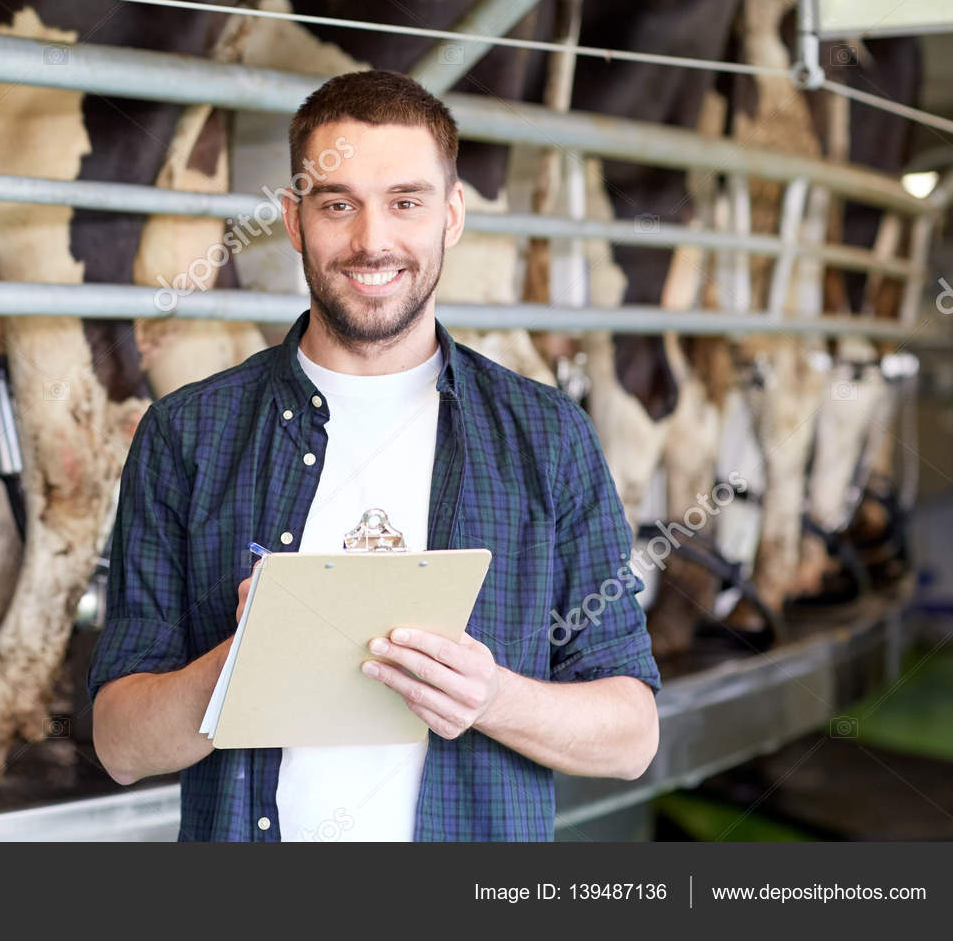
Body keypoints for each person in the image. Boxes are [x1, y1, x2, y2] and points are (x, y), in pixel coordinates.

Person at [88, 69, 660, 842]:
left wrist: (490, 697)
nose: (372, 241)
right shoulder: (189, 433)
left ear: (451, 215)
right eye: (337, 204)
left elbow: (632, 734)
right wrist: (244, 664)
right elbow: (120, 746)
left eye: (406, 202)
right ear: (293, 220)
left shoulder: (546, 436)